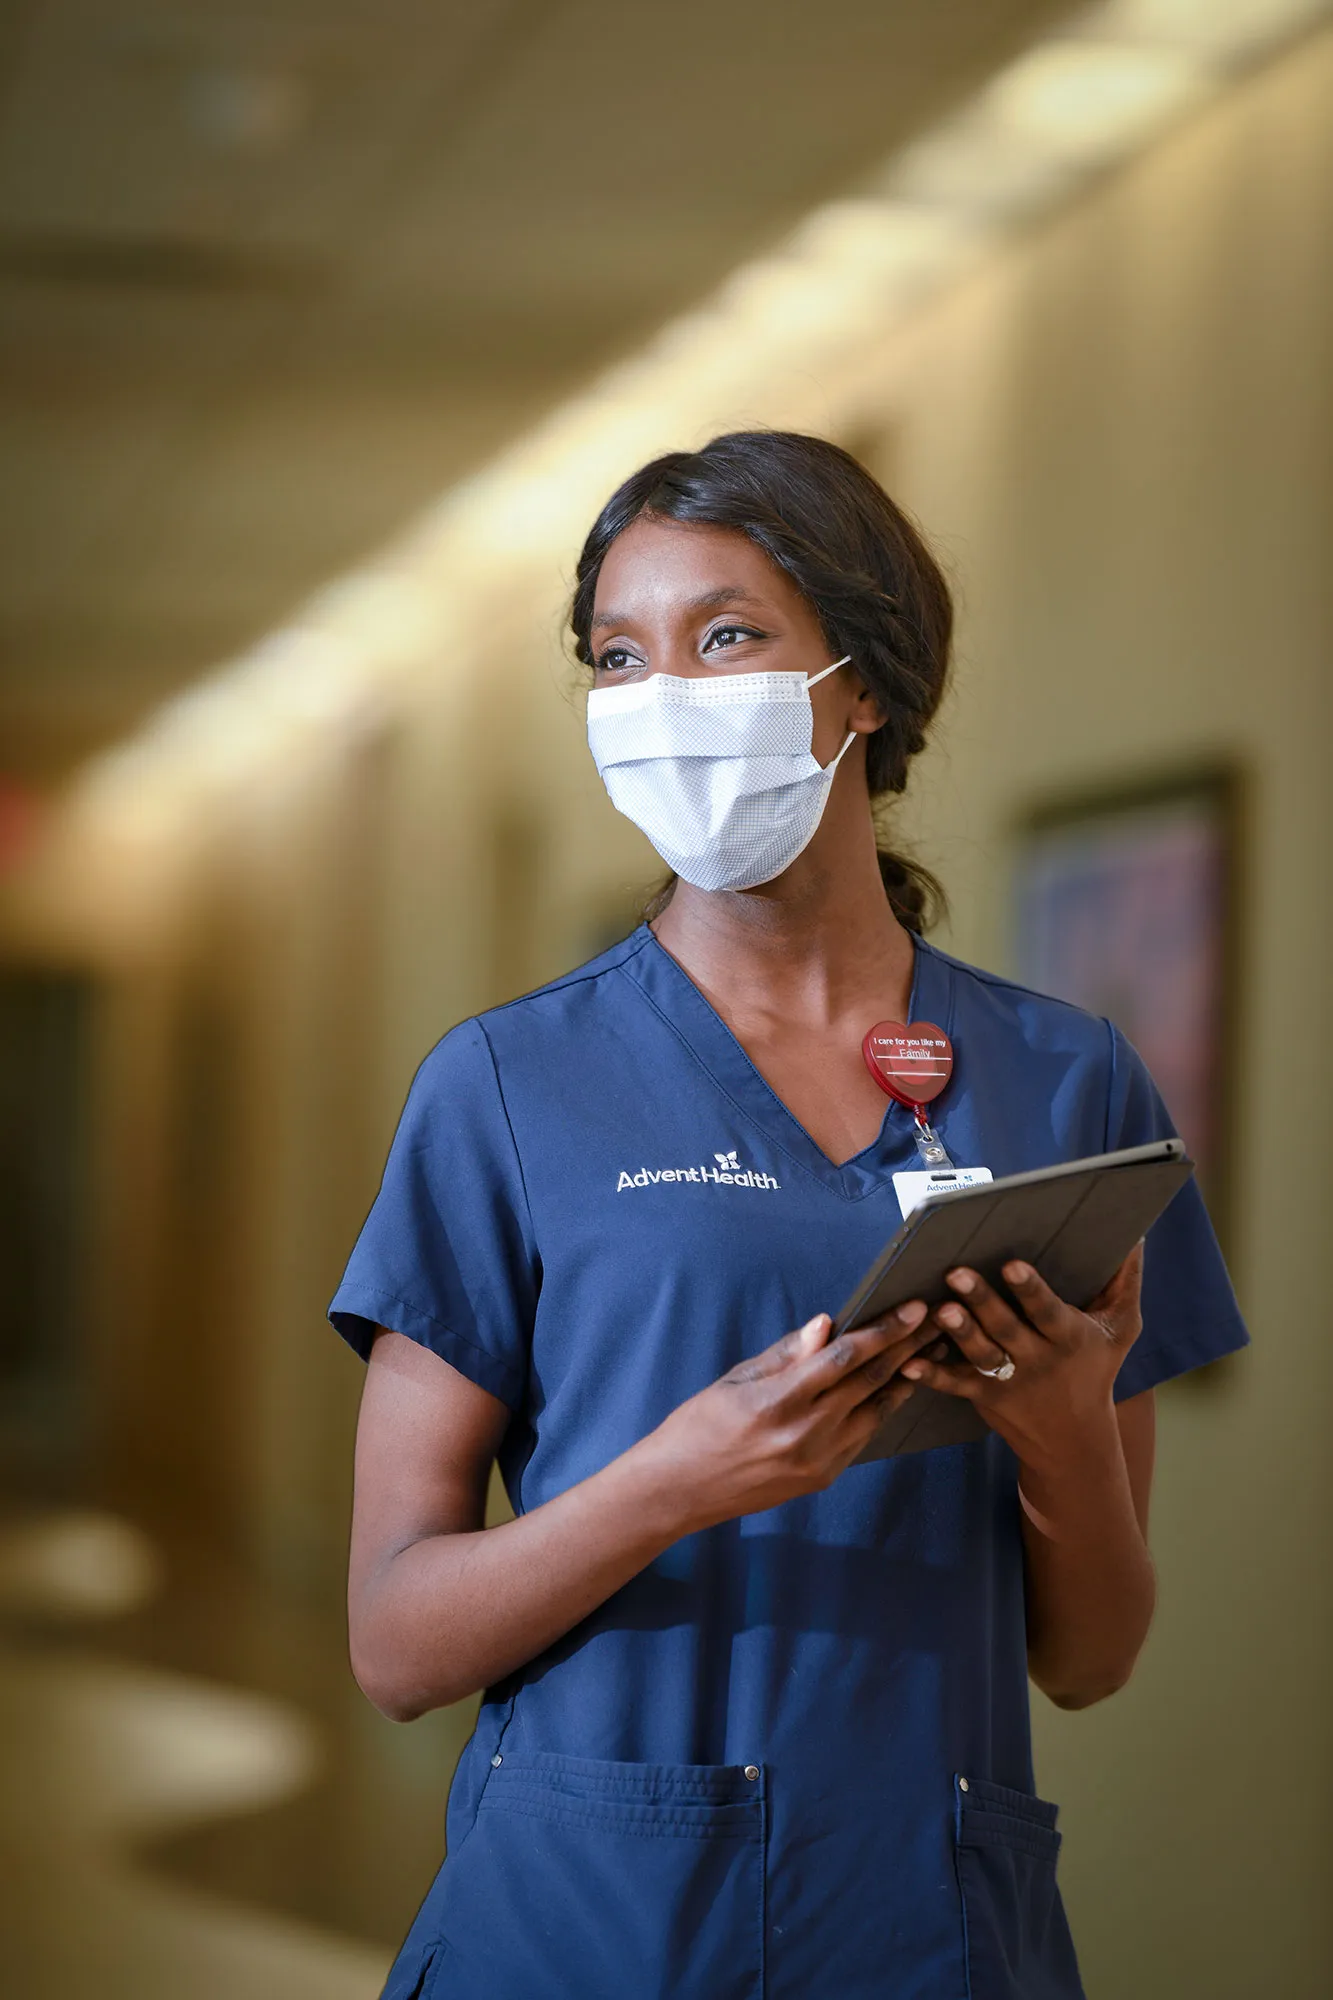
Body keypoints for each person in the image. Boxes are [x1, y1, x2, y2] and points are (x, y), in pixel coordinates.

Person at [330, 431, 1247, 2000]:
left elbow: (1090, 1661)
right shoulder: (506, 1086)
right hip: (585, 1924)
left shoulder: (1065, 1080)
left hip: (926, 1924)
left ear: (867, 687)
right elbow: (396, 1644)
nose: (664, 694)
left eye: (728, 636)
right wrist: (678, 1481)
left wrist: (1064, 1423)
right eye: (620, 655)